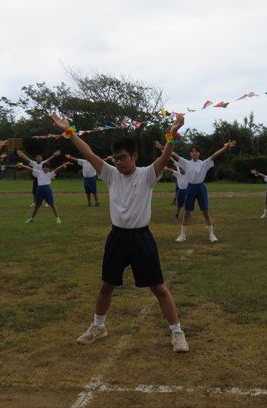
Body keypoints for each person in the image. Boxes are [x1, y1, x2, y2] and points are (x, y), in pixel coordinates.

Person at [51, 112, 190, 353]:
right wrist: (69, 132)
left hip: (141, 238)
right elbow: (89, 154)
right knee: (107, 285)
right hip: (117, 238)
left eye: (123, 157)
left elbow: (165, 157)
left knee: (158, 288)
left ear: (134, 156)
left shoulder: (147, 174)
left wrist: (173, 132)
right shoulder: (110, 174)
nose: (118, 162)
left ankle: (177, 332)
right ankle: (98, 327)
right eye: (115, 158)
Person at [173, 141, 237, 243]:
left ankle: (212, 235)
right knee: (187, 212)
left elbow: (215, 155)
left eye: (196, 151)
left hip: (200, 188)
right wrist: (163, 147)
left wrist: (225, 147)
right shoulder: (186, 163)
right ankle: (182, 235)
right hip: (190, 188)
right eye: (192, 151)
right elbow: (174, 155)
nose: (194, 153)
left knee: (205, 212)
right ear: (190, 154)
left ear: (199, 153)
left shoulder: (204, 163)